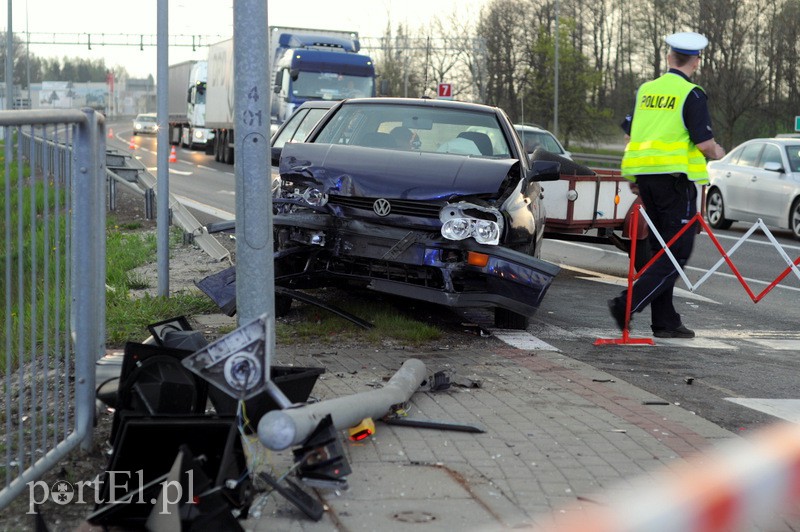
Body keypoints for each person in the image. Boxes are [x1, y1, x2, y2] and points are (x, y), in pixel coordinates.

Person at [608, 31, 725, 339]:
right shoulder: (692, 93)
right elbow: (704, 143)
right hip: (675, 184)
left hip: (646, 182)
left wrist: (638, 175)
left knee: (663, 252)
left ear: (670, 57)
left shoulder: (646, 91)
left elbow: (630, 136)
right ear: (696, 61)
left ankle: (665, 321)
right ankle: (627, 304)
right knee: (678, 254)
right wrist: (720, 152)